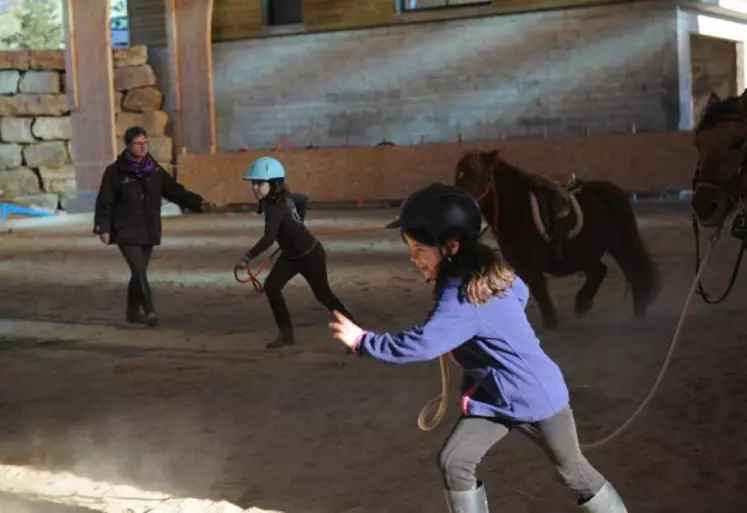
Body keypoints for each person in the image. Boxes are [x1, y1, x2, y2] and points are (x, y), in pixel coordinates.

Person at [328, 183, 628, 513]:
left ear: (451, 246)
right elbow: (520, 293)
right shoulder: (486, 272)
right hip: (495, 397)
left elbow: (425, 343)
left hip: (535, 396)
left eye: (419, 249)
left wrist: (362, 341)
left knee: (574, 473)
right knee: (454, 461)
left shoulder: (463, 294)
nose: (413, 258)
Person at [94, 126, 212, 327]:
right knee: (139, 270)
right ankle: (150, 311)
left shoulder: (154, 170)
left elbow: (173, 191)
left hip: (148, 227)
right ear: (129, 145)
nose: (142, 147)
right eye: (138, 144)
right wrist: (103, 228)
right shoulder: (115, 172)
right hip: (125, 228)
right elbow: (104, 201)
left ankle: (132, 313)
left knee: (138, 271)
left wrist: (196, 203)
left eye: (145, 143)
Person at [236, 156, 356, 350]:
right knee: (272, 287)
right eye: (254, 183)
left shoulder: (274, 206)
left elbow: (268, 238)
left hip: (310, 256)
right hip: (291, 256)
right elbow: (303, 200)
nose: (255, 188)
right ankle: (286, 334)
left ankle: (356, 334)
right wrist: (297, 222)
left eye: (260, 183)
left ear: (273, 184)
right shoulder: (280, 197)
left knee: (324, 295)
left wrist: (247, 258)